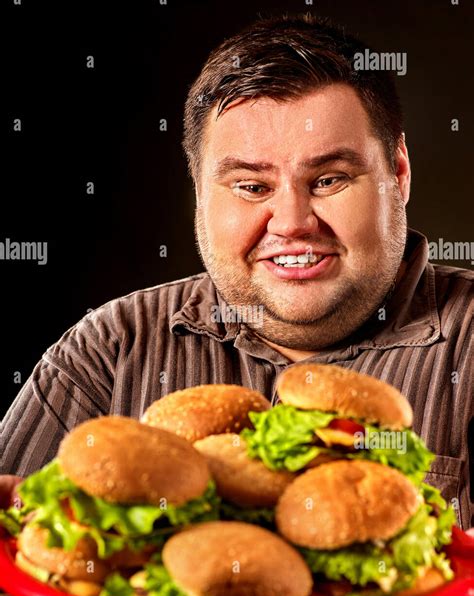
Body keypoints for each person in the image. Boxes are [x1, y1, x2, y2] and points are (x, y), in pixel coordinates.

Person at [1, 14, 472, 530]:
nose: (293, 224)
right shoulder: (110, 349)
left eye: (330, 179)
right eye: (251, 186)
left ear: (398, 174)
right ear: (201, 195)